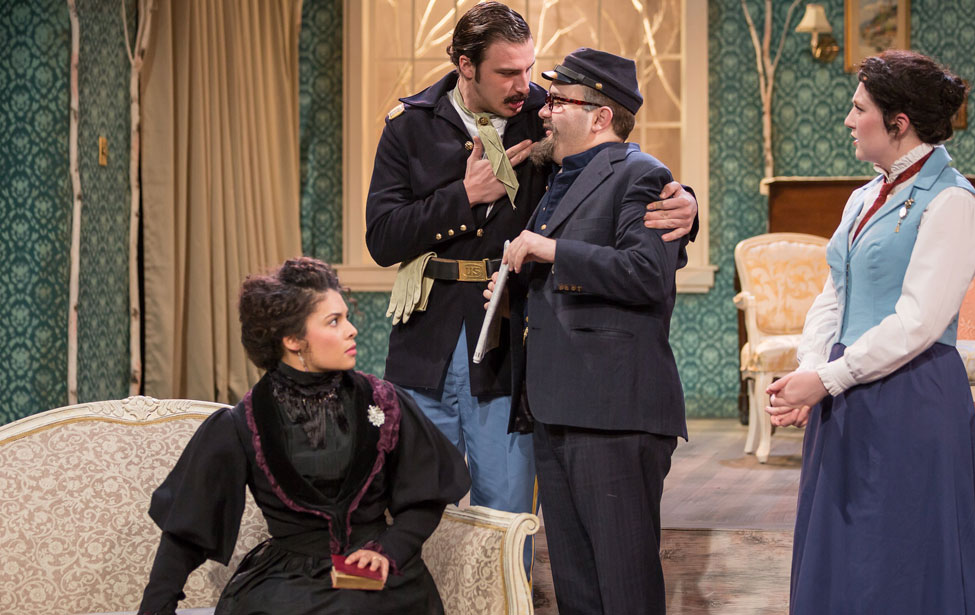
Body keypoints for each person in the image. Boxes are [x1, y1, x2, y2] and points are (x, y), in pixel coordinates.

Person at [362, 0, 697, 572]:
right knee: (414, 504)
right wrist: (463, 198)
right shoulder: (410, 126)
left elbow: (612, 169)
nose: (524, 86)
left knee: (507, 511)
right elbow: (383, 238)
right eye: (506, 73)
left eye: (528, 69)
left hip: (508, 346)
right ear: (464, 66)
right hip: (425, 338)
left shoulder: (547, 113)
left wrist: (685, 202)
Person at [765, 51, 975, 614]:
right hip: (847, 392)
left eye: (859, 109)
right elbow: (834, 293)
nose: (849, 120)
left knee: (900, 556)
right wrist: (809, 367)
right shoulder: (864, 195)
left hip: (911, 395)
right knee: (845, 553)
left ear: (898, 123)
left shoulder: (953, 202)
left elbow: (919, 321)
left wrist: (826, 378)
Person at [138, 257, 471, 615]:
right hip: (287, 584)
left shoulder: (384, 402)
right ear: (293, 340)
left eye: (347, 316)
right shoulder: (242, 423)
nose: (352, 329)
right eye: (334, 321)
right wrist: (157, 607)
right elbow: (186, 530)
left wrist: (390, 548)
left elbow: (425, 496)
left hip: (375, 578)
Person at [489, 48, 687, 615]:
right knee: (578, 589)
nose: (543, 112)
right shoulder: (555, 180)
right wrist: (512, 289)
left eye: (557, 101)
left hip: (614, 413)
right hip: (555, 406)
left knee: (624, 588)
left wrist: (549, 251)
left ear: (600, 116)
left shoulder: (642, 175)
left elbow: (647, 274)